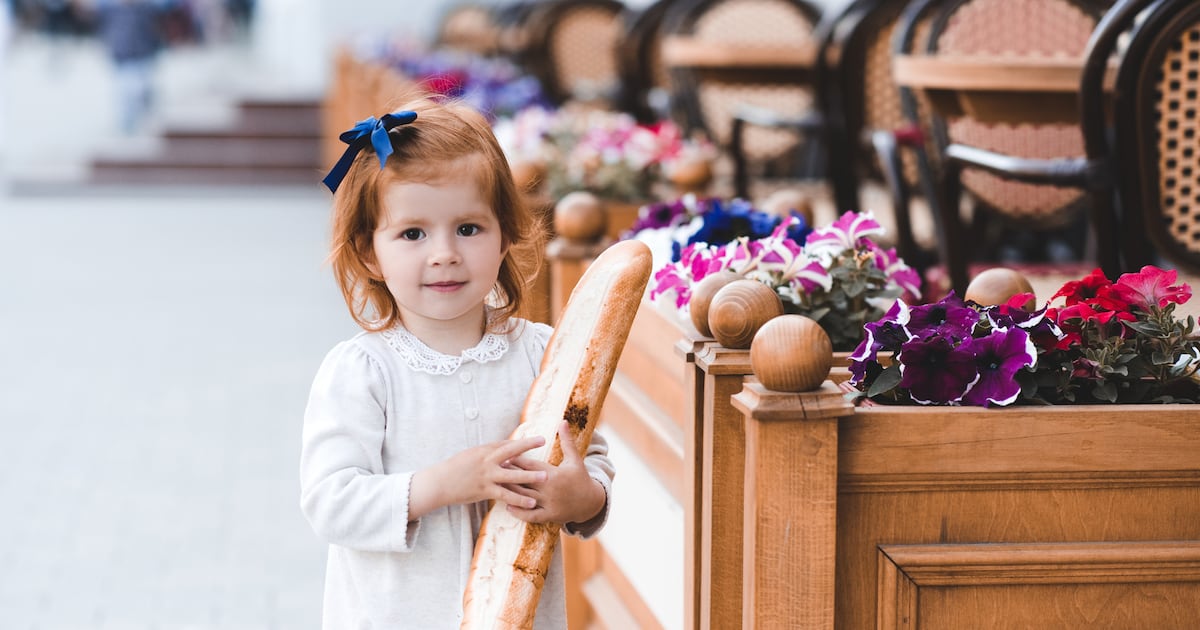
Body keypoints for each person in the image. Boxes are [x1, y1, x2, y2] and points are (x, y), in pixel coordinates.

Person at [300, 94, 614, 630]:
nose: (443, 253)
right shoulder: (364, 371)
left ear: (505, 236)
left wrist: (583, 496)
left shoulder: (542, 352)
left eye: (468, 229)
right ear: (371, 252)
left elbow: (589, 454)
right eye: (413, 233)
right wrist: (443, 484)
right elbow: (331, 501)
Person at [94, 0, 162, 134]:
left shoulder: (145, 9)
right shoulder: (112, 10)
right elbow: (104, 30)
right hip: (122, 57)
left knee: (141, 89)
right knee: (125, 92)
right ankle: (127, 123)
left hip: (141, 56)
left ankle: (141, 115)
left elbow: (153, 30)